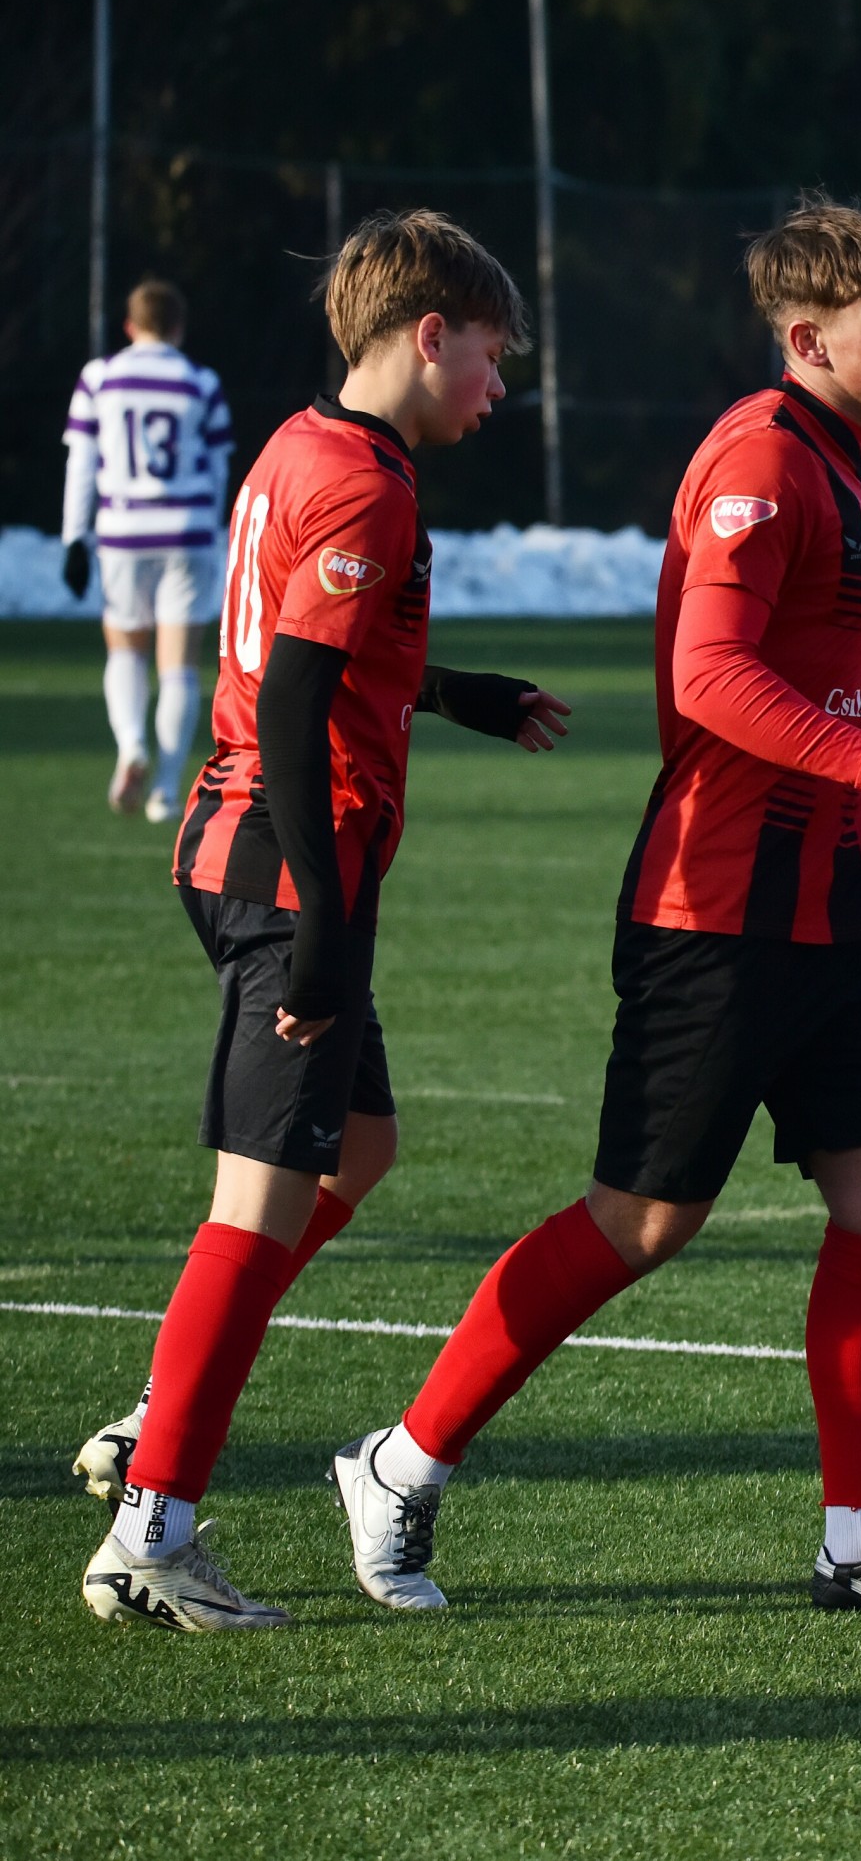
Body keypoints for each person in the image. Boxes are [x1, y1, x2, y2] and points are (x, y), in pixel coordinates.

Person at [328, 197, 861, 1618]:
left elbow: (771, 668)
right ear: (811, 336)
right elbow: (707, 681)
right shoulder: (765, 456)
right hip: (719, 907)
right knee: (642, 1221)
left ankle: (859, 1541)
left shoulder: (830, 454)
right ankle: (401, 1461)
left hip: (831, 905)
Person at [77, 212, 569, 1632]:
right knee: (258, 1205)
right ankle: (152, 1527)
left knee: (364, 1145)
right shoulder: (369, 487)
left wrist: (452, 686)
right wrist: (328, 930)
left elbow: (318, 655)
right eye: (490, 354)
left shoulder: (307, 445)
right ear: (430, 334)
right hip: (281, 869)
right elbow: (291, 704)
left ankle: (161, 1420)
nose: (497, 382)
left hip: (240, 852)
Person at [63, 278, 236, 823]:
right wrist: (214, 535)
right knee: (179, 663)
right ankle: (165, 787)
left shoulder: (100, 379)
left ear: (129, 327)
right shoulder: (200, 382)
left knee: (126, 649)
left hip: (123, 533)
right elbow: (217, 469)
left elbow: (81, 464)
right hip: (186, 530)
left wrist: (74, 536)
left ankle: (131, 743)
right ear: (179, 328)